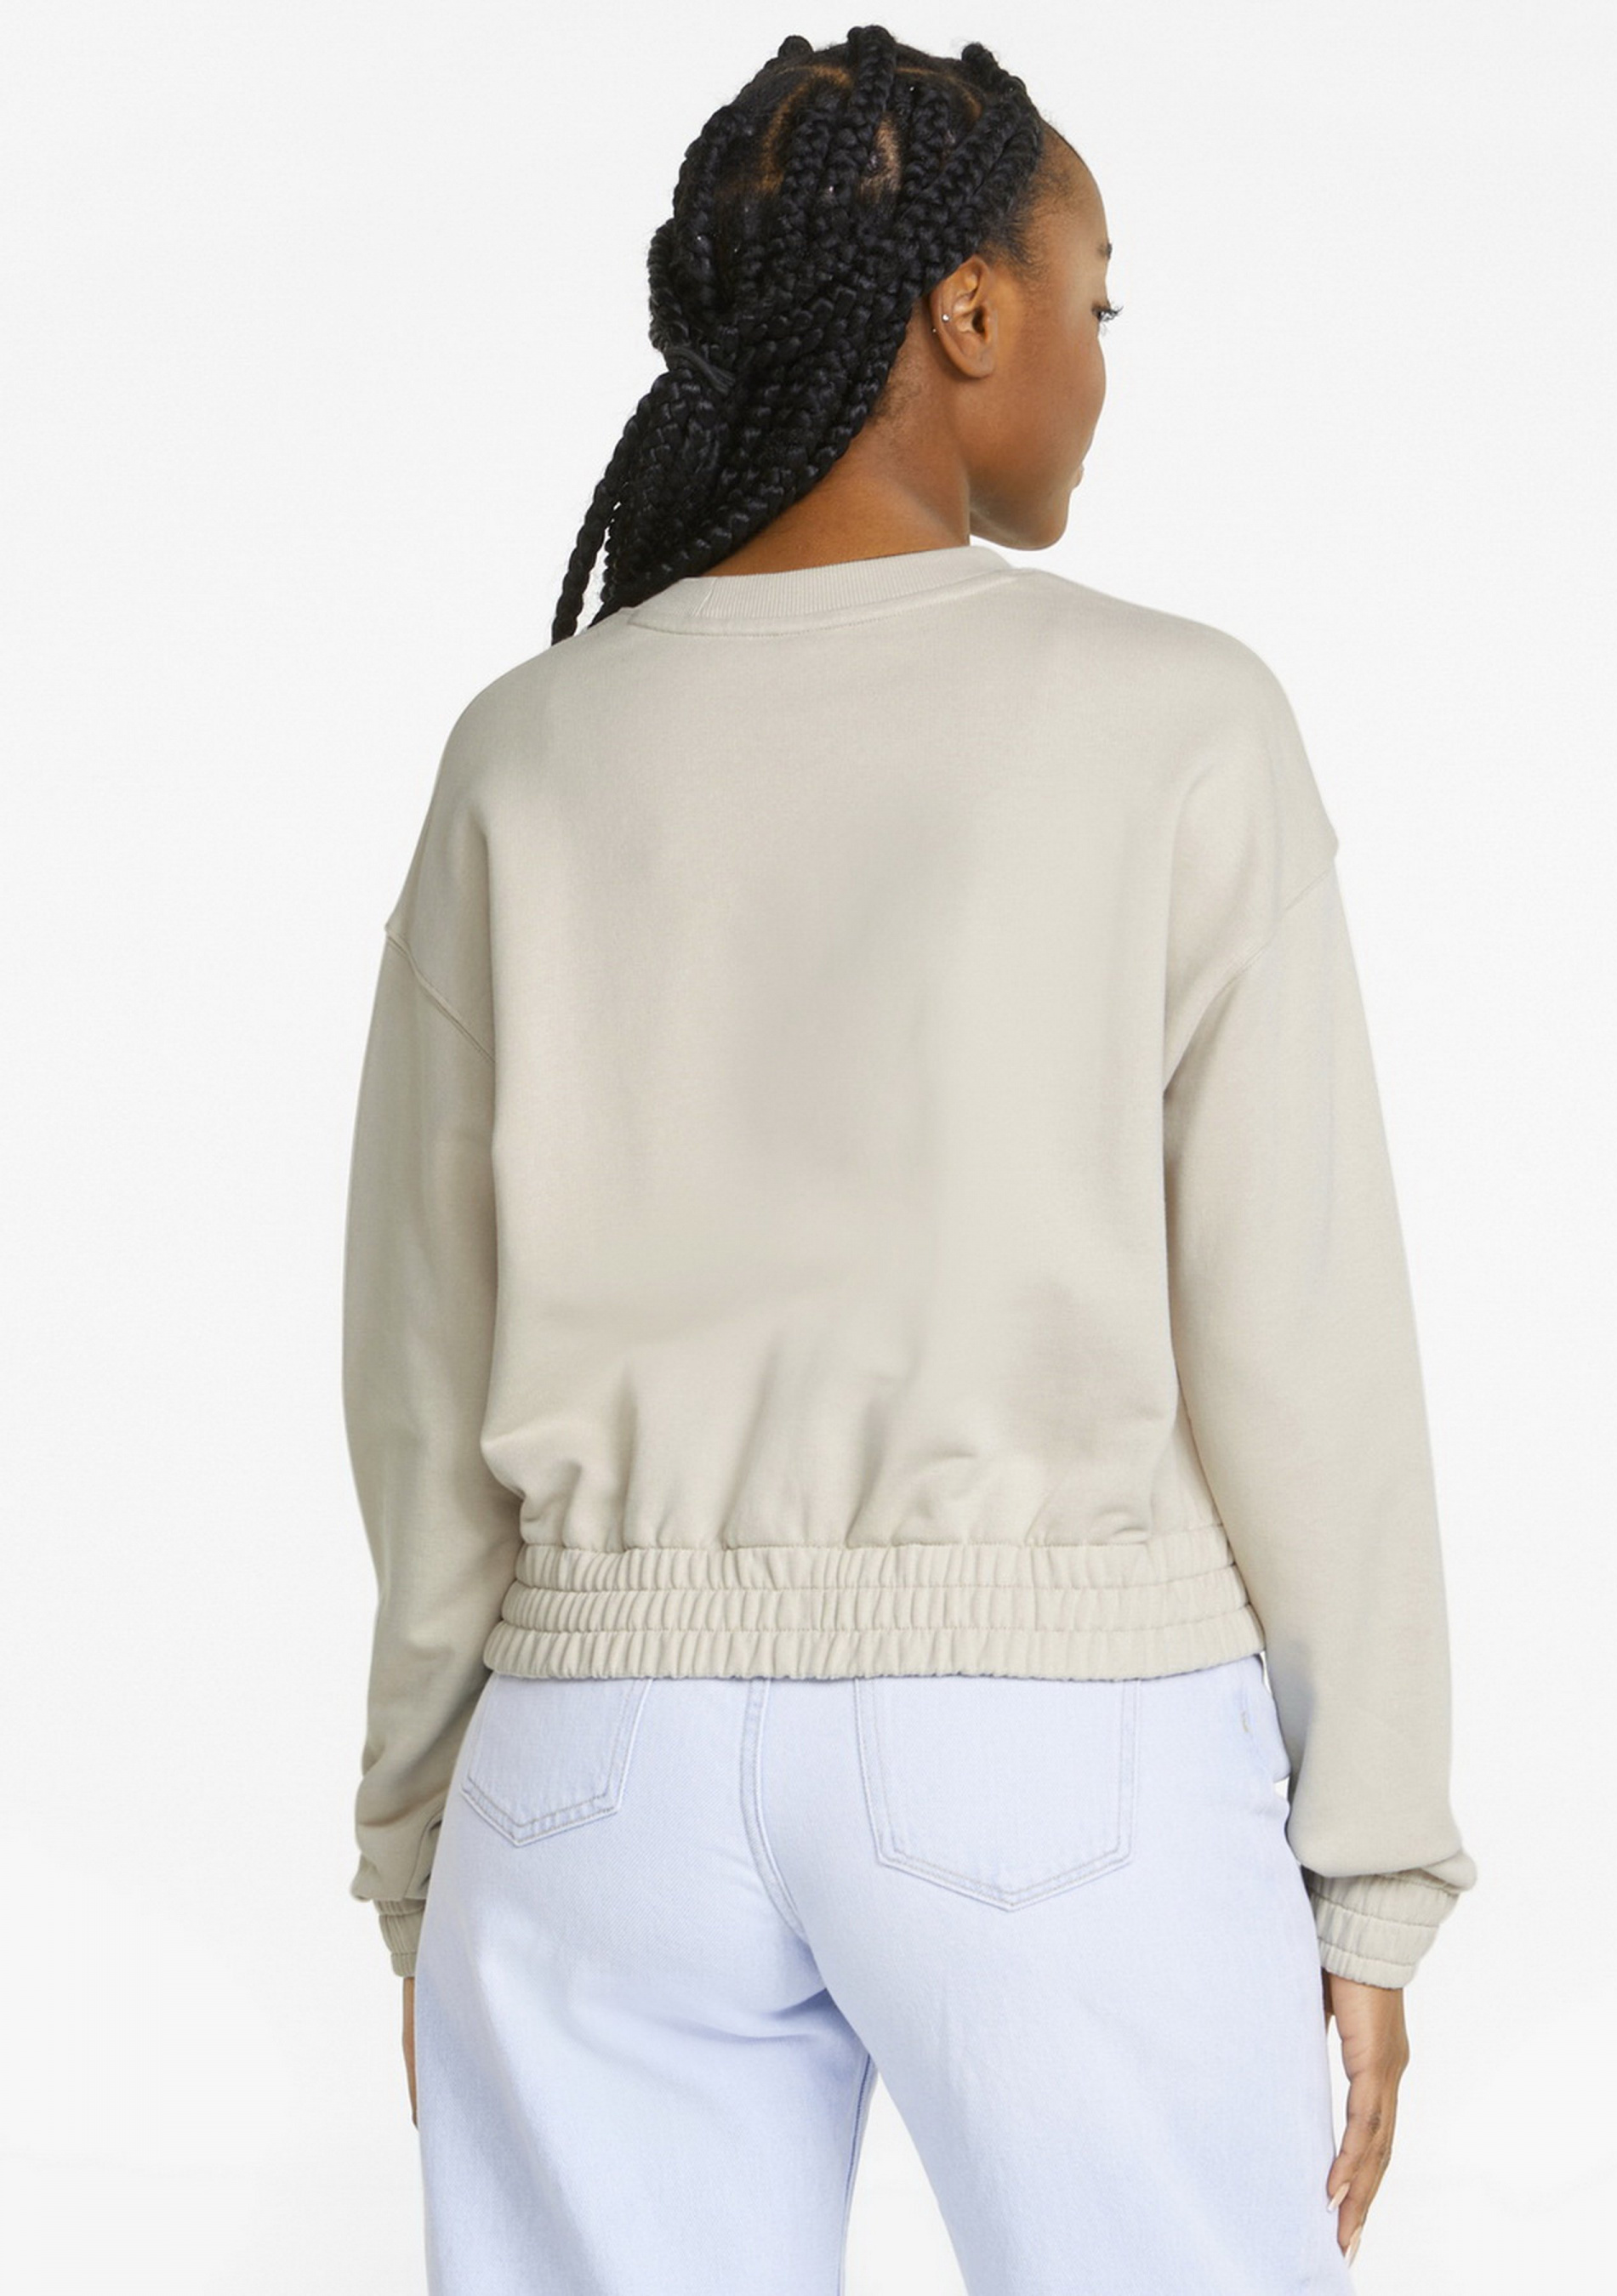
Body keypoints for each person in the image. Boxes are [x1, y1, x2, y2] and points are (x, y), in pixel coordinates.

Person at [340, 26, 1478, 2294]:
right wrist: (1370, 1869)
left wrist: (427, 1847)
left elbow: (419, 1354)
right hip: (1058, 1740)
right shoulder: (1175, 720)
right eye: (1093, 301)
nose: (1098, 361)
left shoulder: (527, 754)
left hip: (595, 1763)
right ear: (969, 313)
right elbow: (1300, 1330)